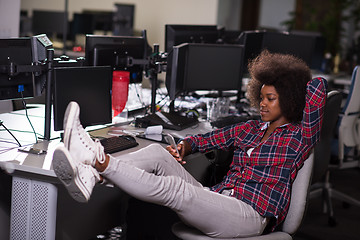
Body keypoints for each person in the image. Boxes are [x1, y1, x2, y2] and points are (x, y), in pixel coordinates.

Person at [52, 50, 327, 238]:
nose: (263, 104)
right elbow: (207, 139)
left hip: (251, 215)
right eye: (262, 97)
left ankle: (98, 161)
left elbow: (318, 88)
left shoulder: (300, 136)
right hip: (220, 199)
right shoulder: (252, 128)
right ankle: (90, 176)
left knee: (177, 190)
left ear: (290, 99)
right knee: (157, 154)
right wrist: (185, 147)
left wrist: (293, 84)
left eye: (272, 98)